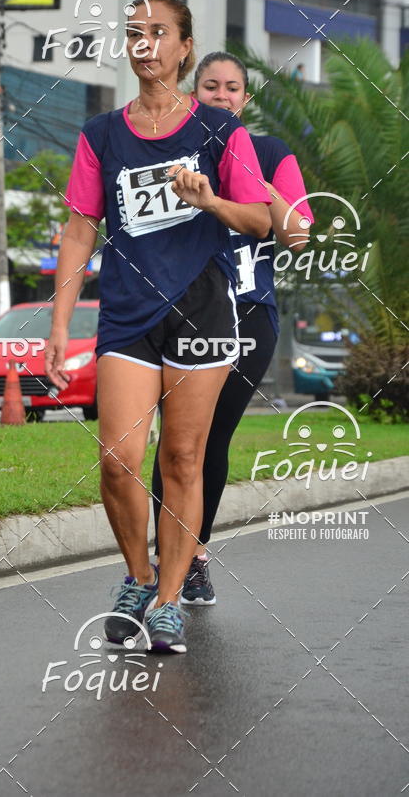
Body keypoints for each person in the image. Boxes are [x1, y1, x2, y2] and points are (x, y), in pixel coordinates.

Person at [45, 0, 272, 654]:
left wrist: (211, 198)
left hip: (202, 307)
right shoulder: (101, 134)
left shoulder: (219, 133)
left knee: (182, 458)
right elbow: (81, 229)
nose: (144, 42)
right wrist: (60, 322)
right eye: (134, 32)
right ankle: (139, 577)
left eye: (158, 32)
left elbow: (261, 221)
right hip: (126, 311)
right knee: (118, 460)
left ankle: (170, 600)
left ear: (183, 49)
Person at [152, 51, 314, 604]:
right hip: (179, 311)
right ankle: (161, 561)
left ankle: (192, 557)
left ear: (245, 99)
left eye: (233, 88)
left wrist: (254, 180)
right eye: (211, 87)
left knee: (208, 438)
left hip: (247, 315)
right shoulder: (173, 149)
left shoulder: (270, 152)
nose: (222, 96)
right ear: (194, 92)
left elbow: (297, 236)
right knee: (175, 441)